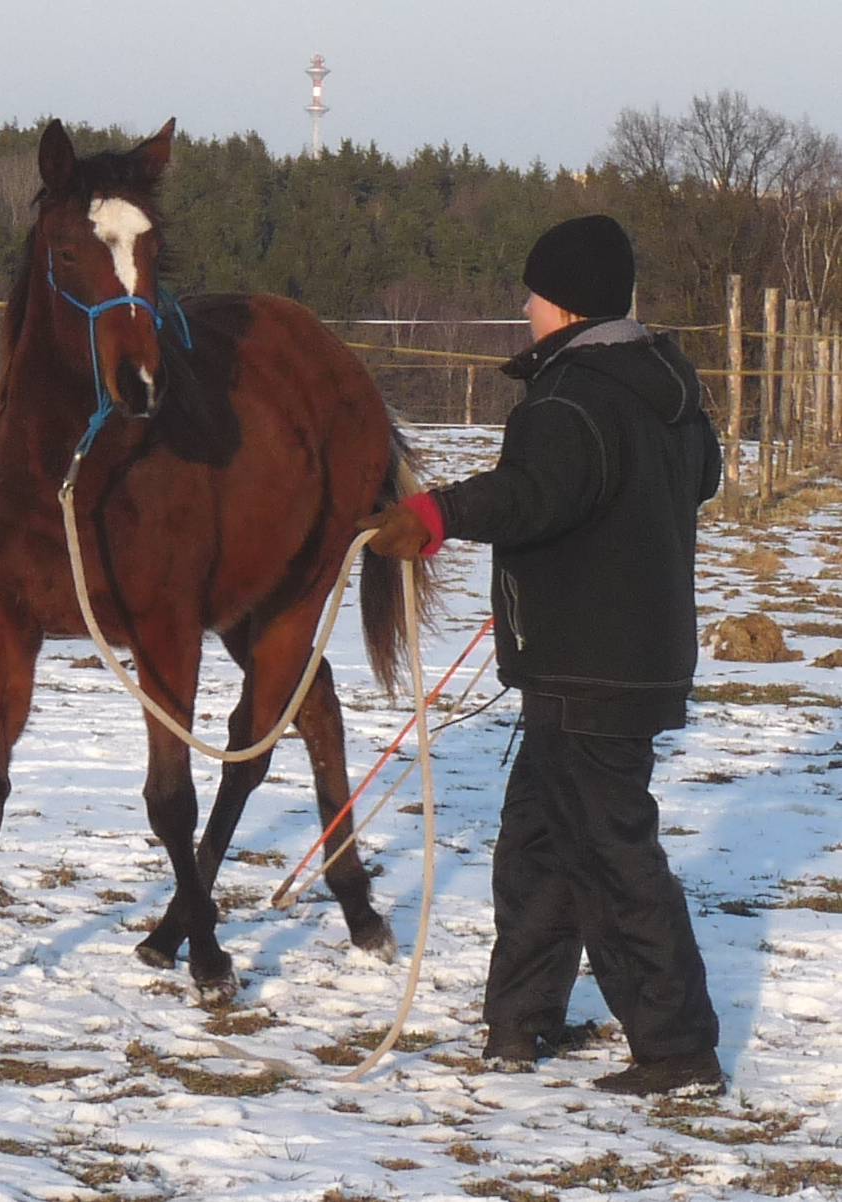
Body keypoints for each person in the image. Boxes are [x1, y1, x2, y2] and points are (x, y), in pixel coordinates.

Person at [359, 214, 724, 1098]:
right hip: (620, 656)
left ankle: (677, 1050)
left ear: (562, 304)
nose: (523, 306)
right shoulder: (662, 387)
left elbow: (536, 493)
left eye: (533, 292)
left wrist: (434, 516)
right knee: (538, 843)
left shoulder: (572, 399)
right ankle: (520, 1025)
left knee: (610, 854)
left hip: (589, 666)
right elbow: (683, 481)